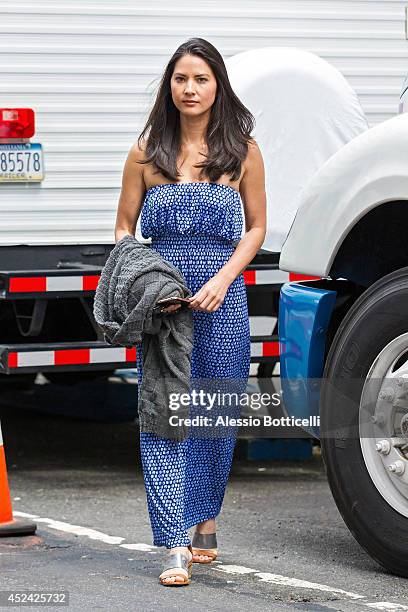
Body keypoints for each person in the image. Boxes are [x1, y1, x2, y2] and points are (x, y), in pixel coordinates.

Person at [114, 37, 266, 586]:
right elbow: (124, 229)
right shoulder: (145, 151)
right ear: (169, 86)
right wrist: (149, 282)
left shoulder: (243, 151)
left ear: (217, 85)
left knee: (214, 414)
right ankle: (174, 541)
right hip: (165, 303)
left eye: (201, 79)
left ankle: (205, 517)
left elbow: (255, 229)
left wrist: (225, 279)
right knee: (164, 414)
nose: (191, 89)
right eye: (181, 79)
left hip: (224, 300)